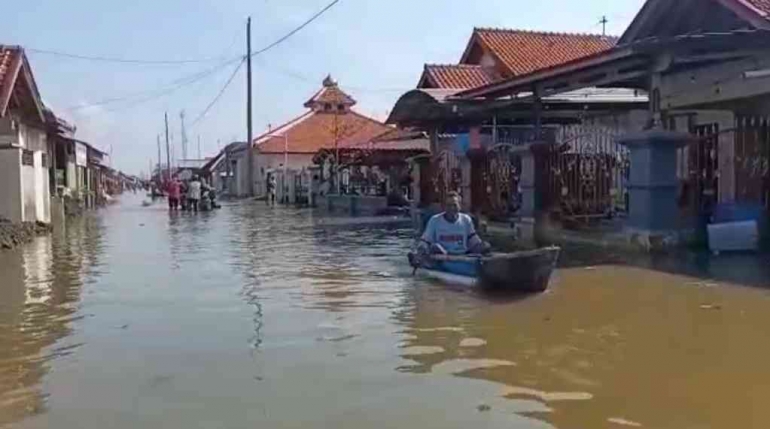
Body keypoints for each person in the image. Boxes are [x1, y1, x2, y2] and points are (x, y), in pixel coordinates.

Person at [420, 192, 489, 255]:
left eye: (455, 205)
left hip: (462, 256)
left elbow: (474, 241)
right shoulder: (434, 220)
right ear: (444, 207)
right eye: (449, 205)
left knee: (486, 245)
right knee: (435, 247)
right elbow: (425, 242)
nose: (452, 208)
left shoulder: (466, 219)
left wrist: (482, 246)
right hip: (442, 257)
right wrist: (421, 250)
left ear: (460, 206)